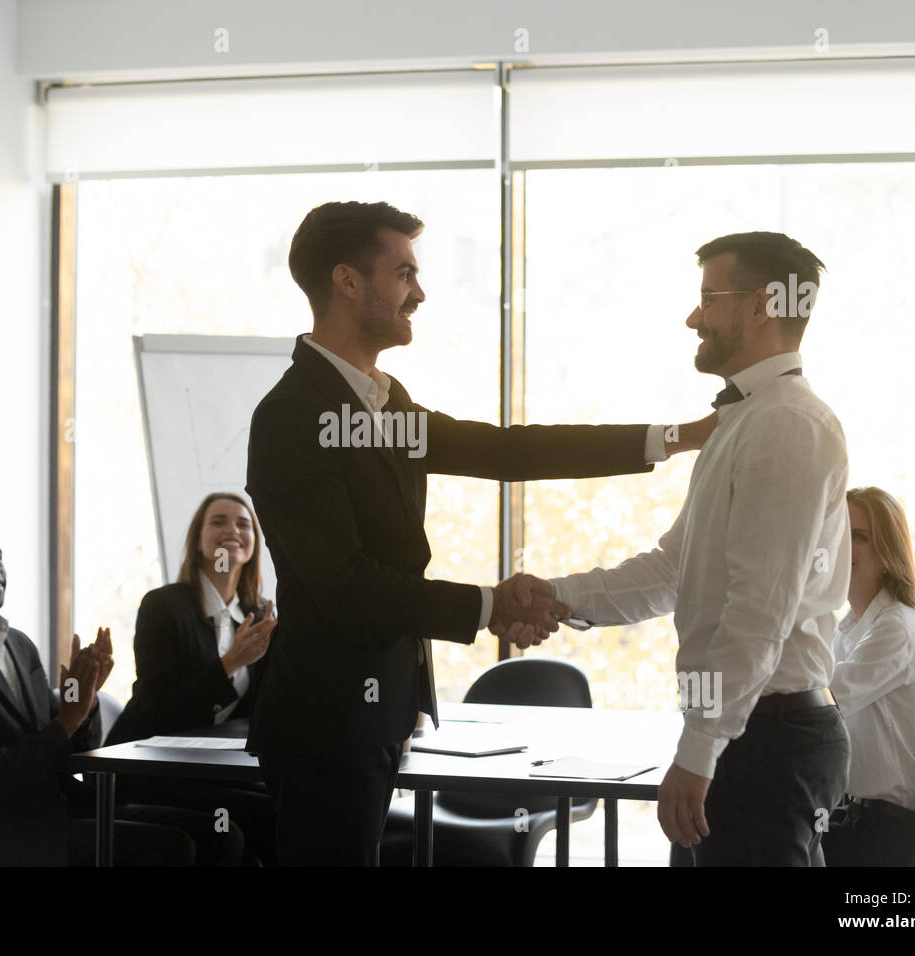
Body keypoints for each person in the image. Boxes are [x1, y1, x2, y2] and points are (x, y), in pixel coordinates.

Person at [245, 200, 715, 866]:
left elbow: (504, 451)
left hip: (373, 714)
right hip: (325, 720)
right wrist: (491, 606)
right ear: (347, 281)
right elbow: (344, 584)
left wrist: (676, 438)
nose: (420, 292)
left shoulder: (385, 401)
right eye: (403, 272)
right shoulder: (293, 414)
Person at [513, 231, 851, 866]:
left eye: (709, 298)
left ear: (761, 307)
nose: (693, 317)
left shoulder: (785, 426)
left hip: (765, 738)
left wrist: (699, 751)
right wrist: (559, 596)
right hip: (746, 733)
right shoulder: (745, 421)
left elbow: (759, 612)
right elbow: (674, 571)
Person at [0, 521, 244, 866]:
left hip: (69, 807)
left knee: (219, 832)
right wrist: (68, 718)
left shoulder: (19, 644)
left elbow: (76, 746)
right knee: (169, 846)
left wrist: (88, 698)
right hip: (11, 834)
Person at [107, 493, 280, 864]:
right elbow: (157, 708)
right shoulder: (163, 607)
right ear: (198, 541)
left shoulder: (261, 613)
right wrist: (229, 663)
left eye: (243, 523)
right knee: (272, 815)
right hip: (150, 768)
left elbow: (269, 707)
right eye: (217, 521)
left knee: (299, 801)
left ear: (253, 544)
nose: (231, 530)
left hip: (217, 769)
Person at [822, 487, 915, 866]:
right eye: (837, 532)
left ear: (888, 553)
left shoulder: (897, 628)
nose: (842, 544)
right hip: (858, 819)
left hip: (884, 833)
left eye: (857, 536)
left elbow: (823, 699)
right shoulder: (849, 628)